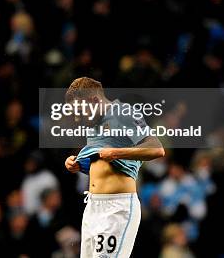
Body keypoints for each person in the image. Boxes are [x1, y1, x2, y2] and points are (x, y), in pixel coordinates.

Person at [63, 77, 165, 257]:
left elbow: (156, 148)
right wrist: (77, 164)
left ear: (94, 100)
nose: (78, 117)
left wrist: (117, 152)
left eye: (80, 110)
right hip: (93, 206)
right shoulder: (92, 123)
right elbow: (104, 159)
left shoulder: (123, 112)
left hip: (118, 207)